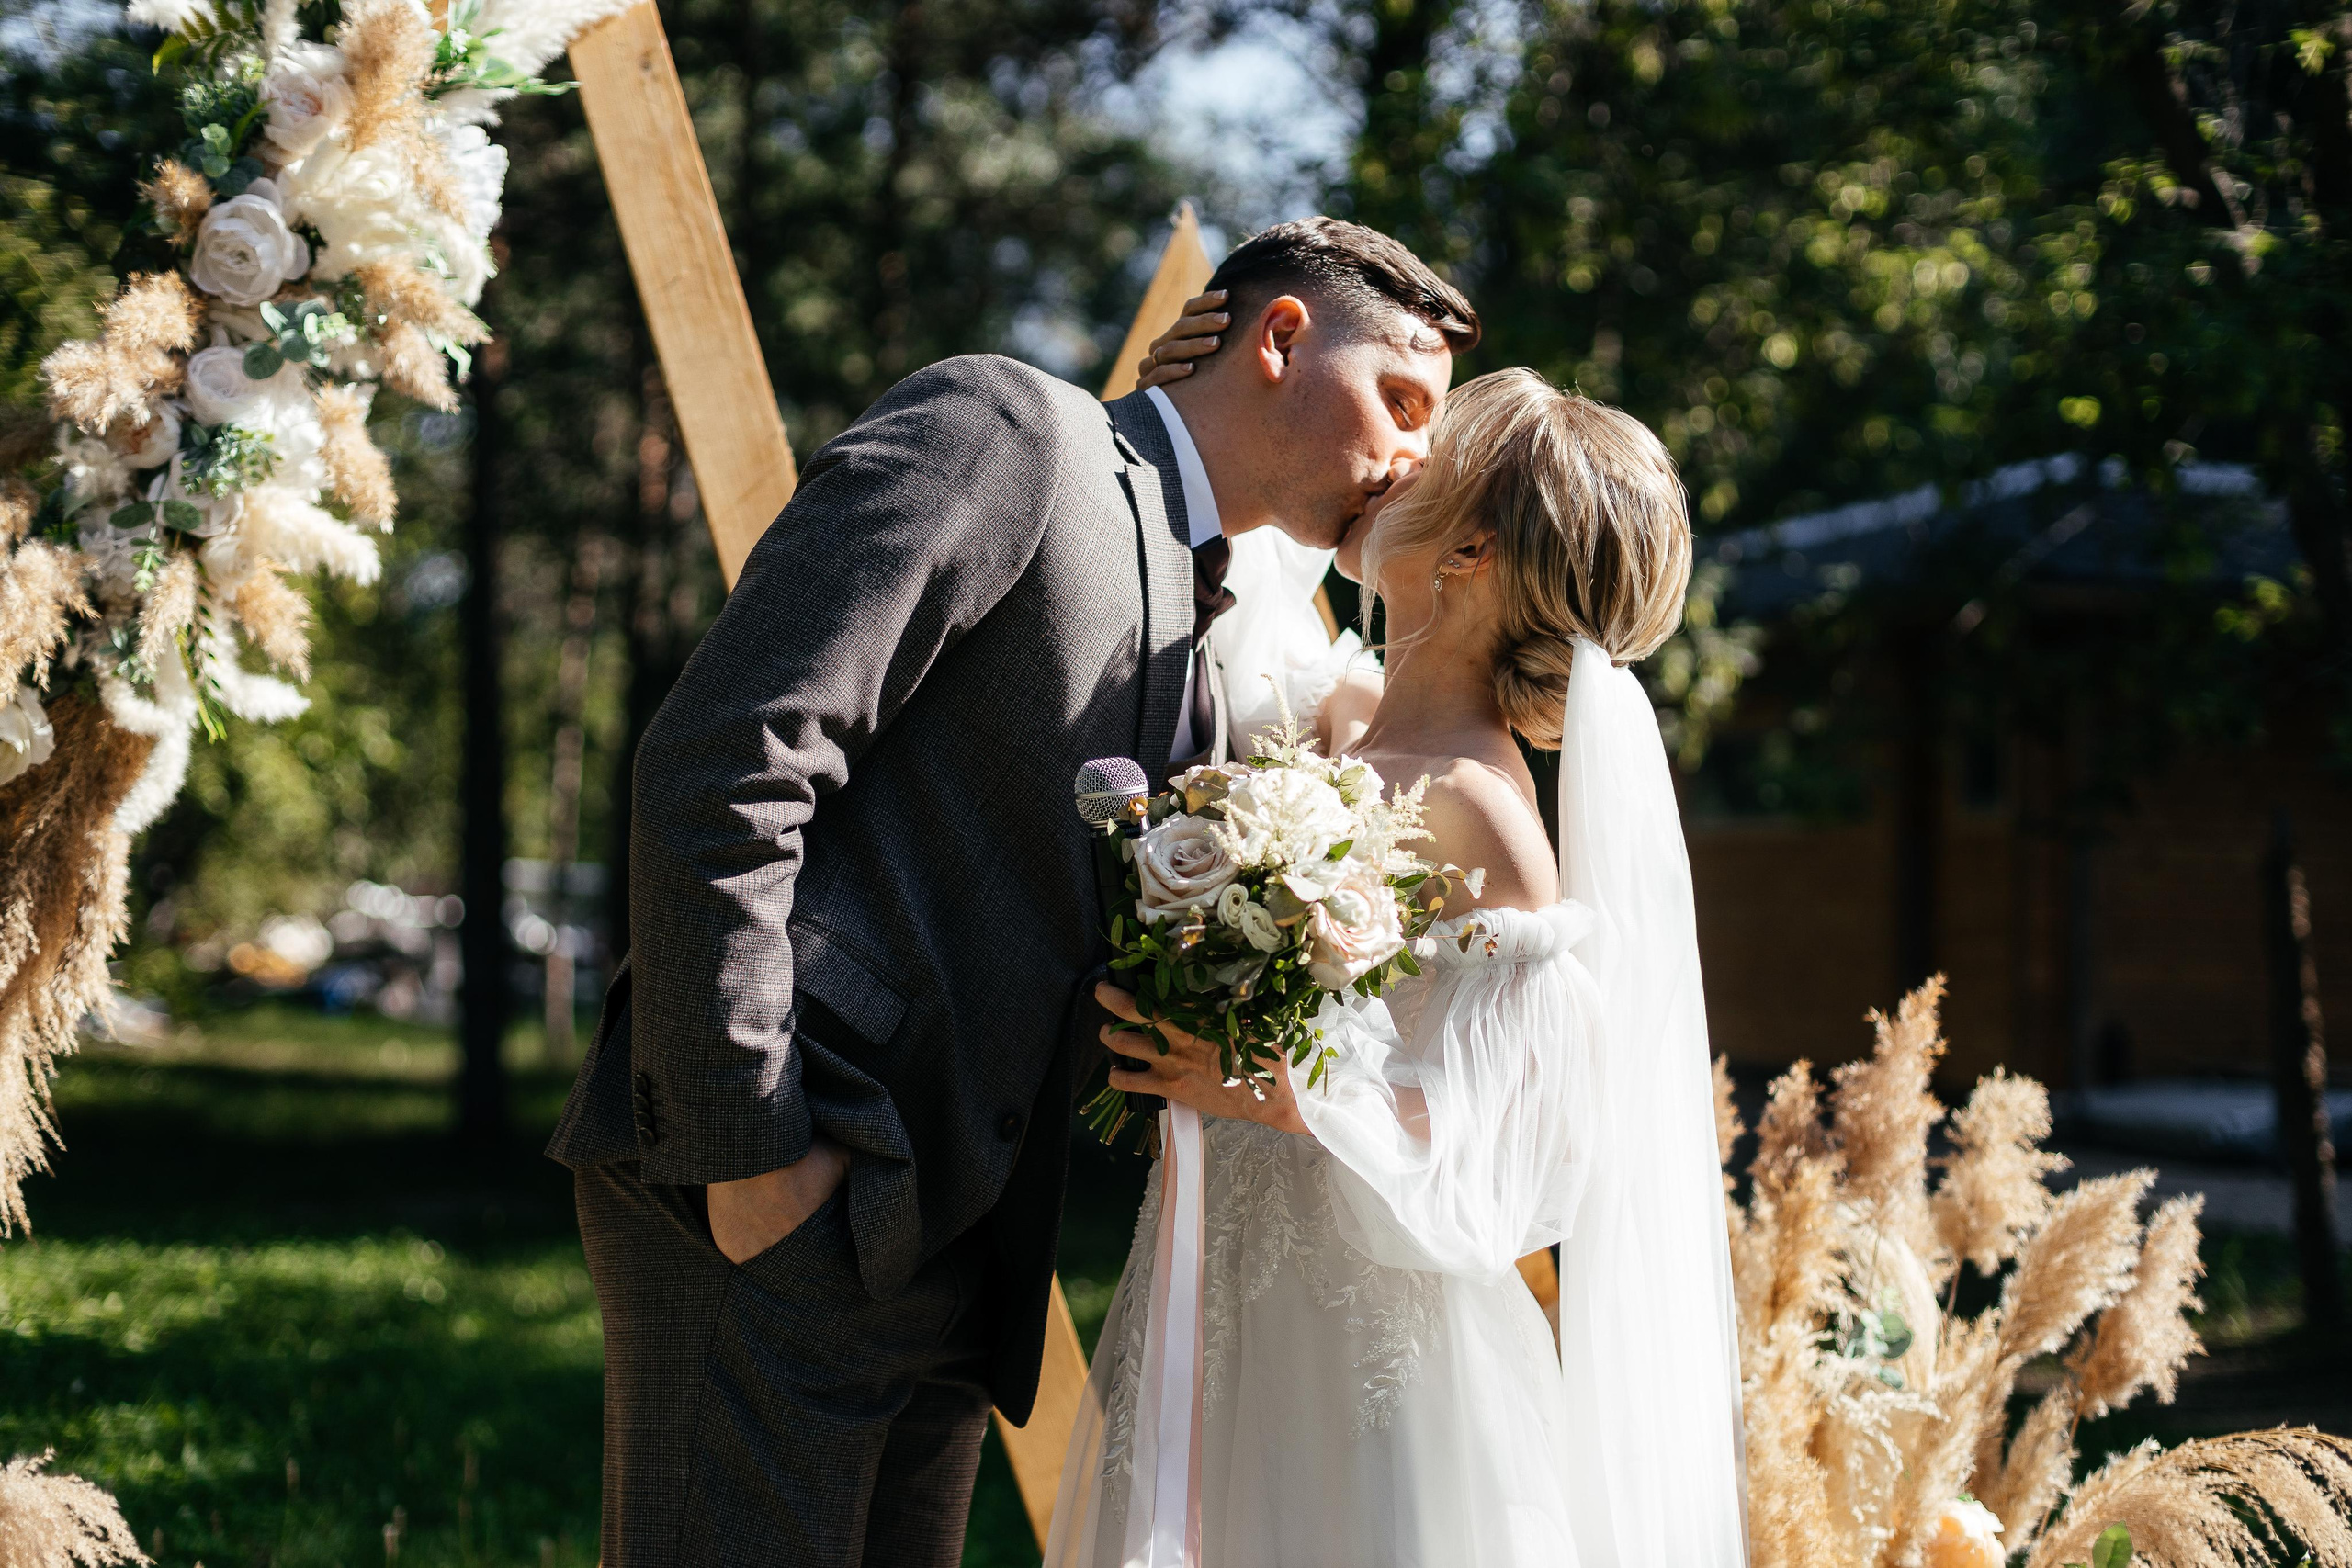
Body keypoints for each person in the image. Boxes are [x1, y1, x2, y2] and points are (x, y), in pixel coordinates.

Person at [544, 220, 1477, 1568]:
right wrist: (747, 1145)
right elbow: (726, 758)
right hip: (781, 1174)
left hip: (953, 1246)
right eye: (1401, 399)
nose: (1409, 456)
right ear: (1279, 338)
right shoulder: (1011, 431)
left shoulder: (1209, 609)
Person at [1045, 338, 1749, 1566]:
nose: (1395, 465)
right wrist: (1190, 398)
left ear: (1471, 554)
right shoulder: (1342, 719)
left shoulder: (1491, 816)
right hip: (1225, 1299)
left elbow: (1524, 1141)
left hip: (1366, 1349)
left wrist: (1271, 1088)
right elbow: (1247, 581)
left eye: (1434, 458)